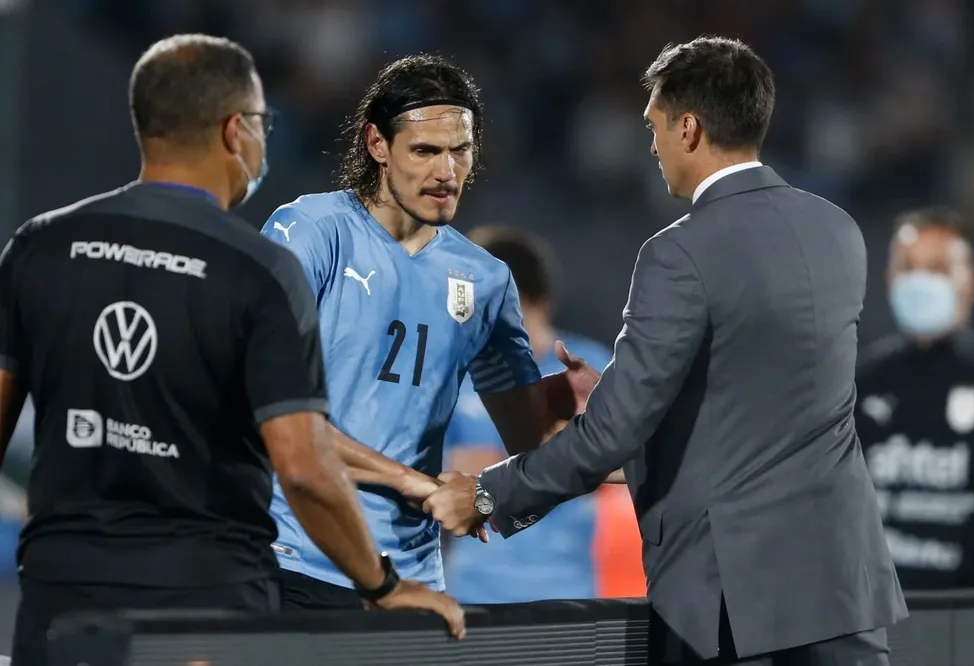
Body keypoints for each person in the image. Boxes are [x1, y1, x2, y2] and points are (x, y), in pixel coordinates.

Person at [424, 36, 908, 665]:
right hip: (843, 585)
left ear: (688, 128)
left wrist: (488, 495)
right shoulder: (837, 231)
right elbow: (761, 399)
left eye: (653, 126)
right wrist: (631, 393)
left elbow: (606, 439)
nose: (650, 146)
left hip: (733, 599)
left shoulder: (679, 252)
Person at [0, 35, 463, 664]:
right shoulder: (259, 271)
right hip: (206, 609)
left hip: (61, 597)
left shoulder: (41, 245)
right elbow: (303, 468)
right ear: (235, 130)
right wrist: (381, 584)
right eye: (263, 123)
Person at [260, 54, 597, 610]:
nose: (446, 172)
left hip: (415, 583)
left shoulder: (485, 282)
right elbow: (276, 417)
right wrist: (411, 481)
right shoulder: (310, 234)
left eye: (459, 150)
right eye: (424, 151)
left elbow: (529, 446)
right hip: (296, 560)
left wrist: (577, 417)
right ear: (376, 144)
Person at [442, 225, 645, 603]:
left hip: (566, 584)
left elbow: (621, 466)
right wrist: (556, 455)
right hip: (474, 586)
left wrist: (507, 464)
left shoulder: (589, 367)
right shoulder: (457, 373)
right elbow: (444, 478)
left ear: (539, 303)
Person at [856, 208, 974, 590]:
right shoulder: (857, 384)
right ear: (889, 279)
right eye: (908, 267)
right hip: (874, 617)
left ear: (971, 281)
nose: (920, 280)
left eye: (937, 268)